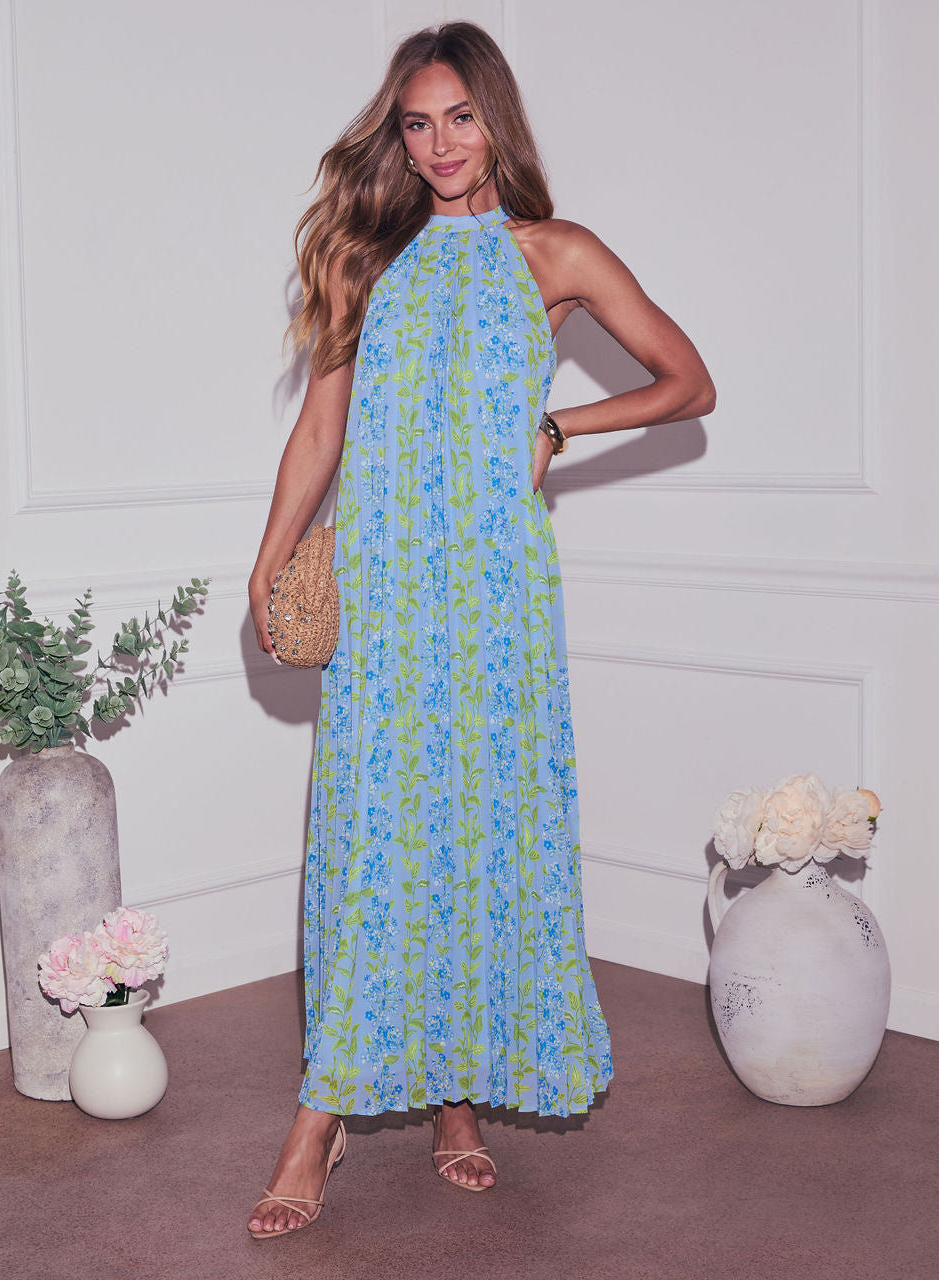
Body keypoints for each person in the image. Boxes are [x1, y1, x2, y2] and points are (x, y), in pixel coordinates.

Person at [246, 21, 715, 1237]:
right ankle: (319, 1116)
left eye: (458, 117)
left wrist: (559, 428)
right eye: (417, 123)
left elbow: (687, 381)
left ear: (493, 118)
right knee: (374, 834)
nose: (439, 143)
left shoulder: (554, 253)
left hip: (497, 595)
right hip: (386, 585)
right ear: (398, 137)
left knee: (482, 827)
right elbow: (319, 430)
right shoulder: (368, 257)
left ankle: (457, 1100)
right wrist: (270, 554)